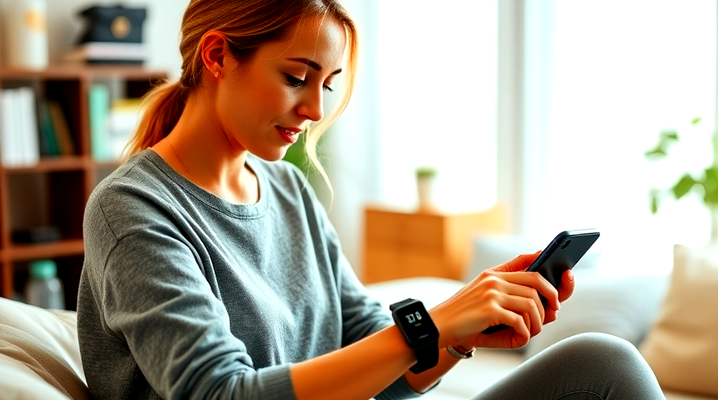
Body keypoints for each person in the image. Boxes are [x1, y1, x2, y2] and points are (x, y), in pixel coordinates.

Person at [77, 1, 666, 399]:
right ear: (217, 55)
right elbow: (218, 393)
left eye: (328, 85)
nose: (314, 111)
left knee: (602, 362)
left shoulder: (286, 190)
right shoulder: (133, 209)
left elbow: (375, 356)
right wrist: (433, 324)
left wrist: (463, 327)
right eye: (295, 77)